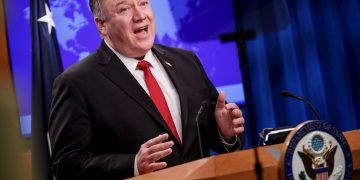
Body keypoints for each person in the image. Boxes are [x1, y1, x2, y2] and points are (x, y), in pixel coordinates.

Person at [49, 0, 245, 179]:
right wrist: (133, 165)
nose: (140, 15)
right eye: (124, 9)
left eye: (143, 3)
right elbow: (65, 165)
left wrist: (224, 133)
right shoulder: (76, 83)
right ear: (102, 25)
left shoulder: (186, 61)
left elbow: (210, 139)